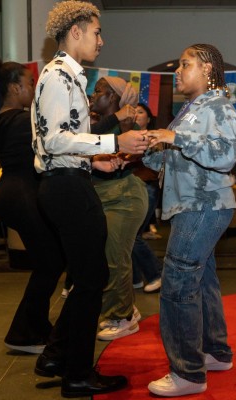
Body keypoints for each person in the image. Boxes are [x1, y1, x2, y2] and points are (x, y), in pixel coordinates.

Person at [30, 1, 148, 397]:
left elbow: (57, 144)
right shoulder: (59, 75)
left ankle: (58, 356)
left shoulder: (67, 77)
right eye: (97, 32)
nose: (102, 39)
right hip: (65, 186)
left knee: (87, 275)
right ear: (76, 31)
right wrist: (114, 140)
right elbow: (54, 140)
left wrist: (95, 164)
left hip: (69, 179)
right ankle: (77, 373)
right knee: (93, 276)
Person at [143, 43, 236, 397]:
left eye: (185, 65)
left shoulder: (218, 105)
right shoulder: (191, 110)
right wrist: (147, 149)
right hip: (195, 204)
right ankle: (216, 351)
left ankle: (187, 373)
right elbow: (176, 157)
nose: (177, 72)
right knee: (204, 281)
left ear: (208, 69)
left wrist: (174, 136)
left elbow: (226, 155)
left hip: (203, 205)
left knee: (178, 284)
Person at [0, 51, 66, 354]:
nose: (34, 85)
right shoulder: (21, 119)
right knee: (51, 262)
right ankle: (25, 333)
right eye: (30, 81)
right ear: (14, 87)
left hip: (13, 194)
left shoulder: (3, 118)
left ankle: (31, 328)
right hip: (20, 194)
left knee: (49, 262)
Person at [89, 76, 148, 341]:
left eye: (98, 91)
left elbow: (136, 152)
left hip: (123, 196)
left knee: (116, 257)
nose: (92, 94)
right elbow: (80, 143)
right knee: (106, 258)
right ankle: (127, 308)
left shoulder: (127, 126)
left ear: (113, 97)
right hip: (101, 196)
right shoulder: (94, 123)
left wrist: (124, 155)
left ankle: (122, 318)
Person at [131, 102, 163, 293]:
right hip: (129, 187)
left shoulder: (154, 137)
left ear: (148, 118)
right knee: (129, 235)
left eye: (141, 112)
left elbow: (156, 165)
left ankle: (156, 273)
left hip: (147, 187)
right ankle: (135, 278)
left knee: (134, 235)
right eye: (133, 111)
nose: (136, 114)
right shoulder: (126, 134)